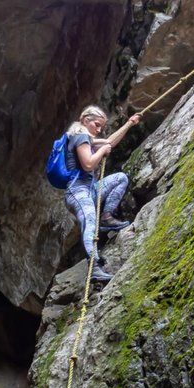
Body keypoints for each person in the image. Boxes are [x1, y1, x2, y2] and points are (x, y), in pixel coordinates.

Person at [62, 105, 140, 282]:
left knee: (120, 178)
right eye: (96, 125)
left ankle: (106, 217)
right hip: (77, 192)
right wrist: (103, 152)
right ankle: (94, 267)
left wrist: (129, 124)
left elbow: (108, 143)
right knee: (89, 220)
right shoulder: (79, 137)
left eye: (101, 127)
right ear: (85, 120)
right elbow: (88, 164)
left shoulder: (86, 138)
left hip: (90, 189)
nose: (98, 130)